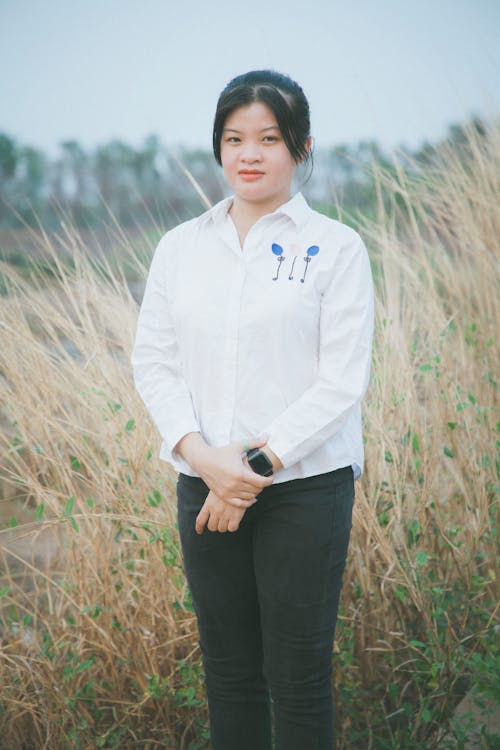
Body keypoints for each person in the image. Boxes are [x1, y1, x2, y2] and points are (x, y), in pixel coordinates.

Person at [131, 69, 374, 750]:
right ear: (218, 147)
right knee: (230, 675)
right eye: (235, 137)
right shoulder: (180, 248)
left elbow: (341, 379)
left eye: (269, 137)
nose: (250, 153)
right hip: (203, 485)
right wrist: (206, 460)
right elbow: (153, 360)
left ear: (300, 146)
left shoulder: (335, 247)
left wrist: (253, 469)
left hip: (306, 490)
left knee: (298, 677)